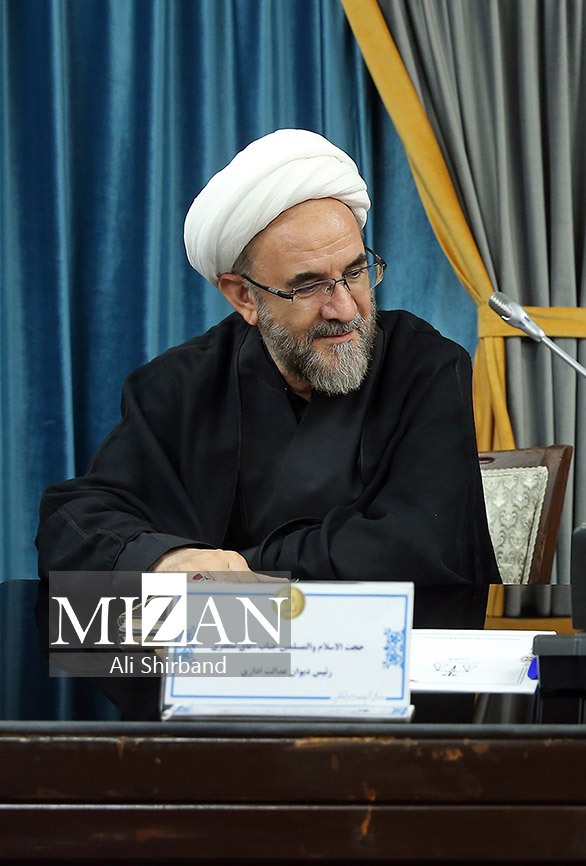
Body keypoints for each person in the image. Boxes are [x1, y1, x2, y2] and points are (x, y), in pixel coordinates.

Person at [36, 129, 499, 719]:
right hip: (211, 708)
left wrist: (231, 571)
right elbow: (75, 521)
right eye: (309, 286)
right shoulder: (177, 385)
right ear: (243, 297)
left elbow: (414, 547)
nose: (346, 308)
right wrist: (163, 561)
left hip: (390, 702)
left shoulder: (426, 366)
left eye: (356, 272)